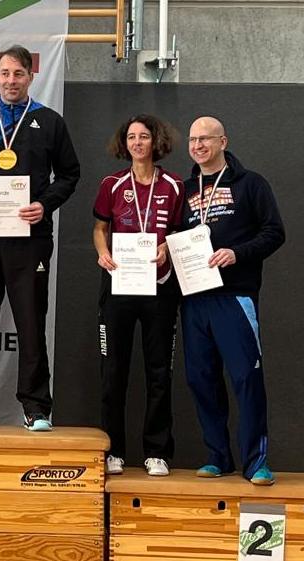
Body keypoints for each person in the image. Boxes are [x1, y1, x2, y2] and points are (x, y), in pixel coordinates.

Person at [0, 45, 80, 431]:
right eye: (5, 73)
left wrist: (45, 204)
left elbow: (69, 174)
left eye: (18, 73)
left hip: (30, 237)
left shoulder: (49, 122)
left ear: (31, 77)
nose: (11, 81)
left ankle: (36, 407)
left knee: (31, 323)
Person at [180, 116, 285, 485]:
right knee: (201, 380)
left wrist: (237, 253)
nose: (198, 146)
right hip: (194, 298)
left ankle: (256, 462)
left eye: (205, 139)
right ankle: (218, 457)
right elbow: (174, 235)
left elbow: (275, 232)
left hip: (234, 296)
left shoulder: (251, 184)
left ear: (222, 141)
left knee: (245, 378)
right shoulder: (184, 189)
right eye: (192, 140)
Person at [93, 115, 185, 477]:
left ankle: (157, 451)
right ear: (124, 143)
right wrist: (102, 252)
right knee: (112, 371)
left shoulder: (174, 185)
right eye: (131, 137)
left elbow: (178, 232)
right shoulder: (112, 184)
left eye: (143, 136)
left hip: (159, 286)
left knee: (159, 370)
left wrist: (166, 248)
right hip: (119, 284)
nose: (137, 142)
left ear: (156, 141)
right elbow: (100, 228)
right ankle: (112, 449)